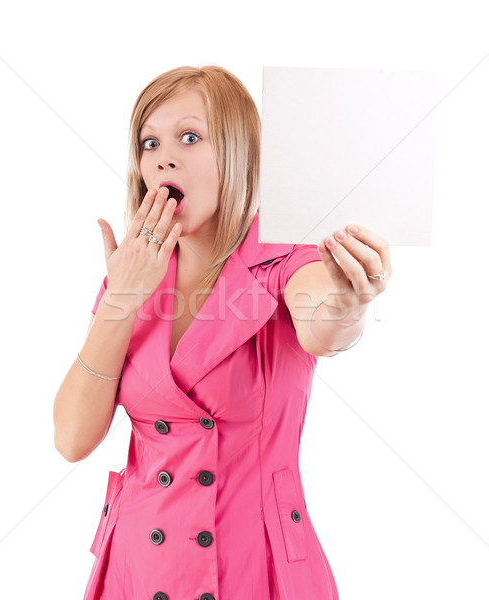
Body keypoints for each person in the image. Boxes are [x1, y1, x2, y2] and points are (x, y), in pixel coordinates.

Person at [53, 65, 392, 600]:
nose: (163, 157)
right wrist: (121, 297)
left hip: (254, 570)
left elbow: (325, 323)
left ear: (238, 153)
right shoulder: (131, 272)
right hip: (137, 571)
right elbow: (72, 440)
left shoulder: (287, 259)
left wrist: (352, 300)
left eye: (190, 137)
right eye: (150, 142)